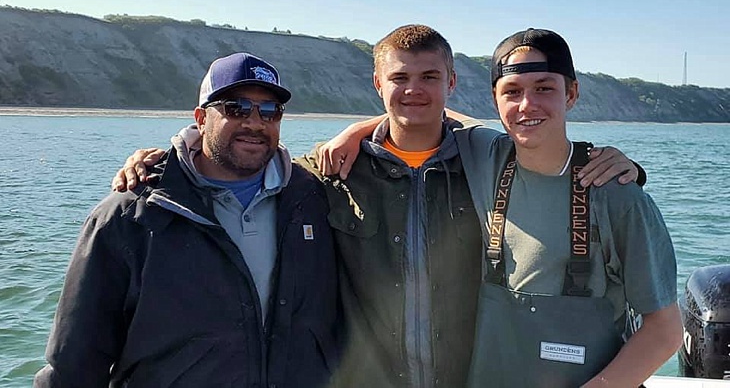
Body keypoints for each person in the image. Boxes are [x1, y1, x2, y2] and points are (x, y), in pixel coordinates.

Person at [113, 25, 641, 388]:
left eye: (429, 77)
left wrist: (622, 168)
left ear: (451, 83)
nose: (414, 90)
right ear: (377, 84)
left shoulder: (486, 164)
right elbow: (242, 165)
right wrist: (171, 159)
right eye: (400, 79)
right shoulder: (329, 172)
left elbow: (535, 145)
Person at [35, 53, 341, 388]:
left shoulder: (313, 197)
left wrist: (356, 130)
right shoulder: (131, 216)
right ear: (201, 118)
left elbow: (385, 144)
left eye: (270, 110)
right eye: (236, 108)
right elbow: (74, 361)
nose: (255, 123)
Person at [456, 29, 681, 387]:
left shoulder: (616, 195)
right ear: (494, 100)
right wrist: (360, 133)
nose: (527, 105)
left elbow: (665, 330)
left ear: (572, 93)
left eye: (544, 88)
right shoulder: (486, 156)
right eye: (512, 92)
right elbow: (417, 110)